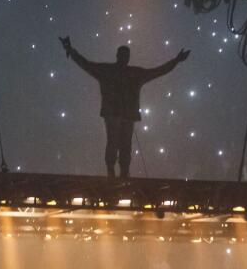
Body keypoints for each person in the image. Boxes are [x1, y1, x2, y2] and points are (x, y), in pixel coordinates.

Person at [59, 37, 189, 178]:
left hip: (119, 114)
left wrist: (71, 51)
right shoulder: (131, 73)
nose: (124, 58)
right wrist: (176, 61)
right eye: (123, 55)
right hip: (122, 114)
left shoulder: (112, 71)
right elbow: (158, 71)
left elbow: (86, 64)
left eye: (125, 55)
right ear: (120, 56)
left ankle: (118, 172)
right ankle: (118, 172)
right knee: (119, 144)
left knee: (119, 144)